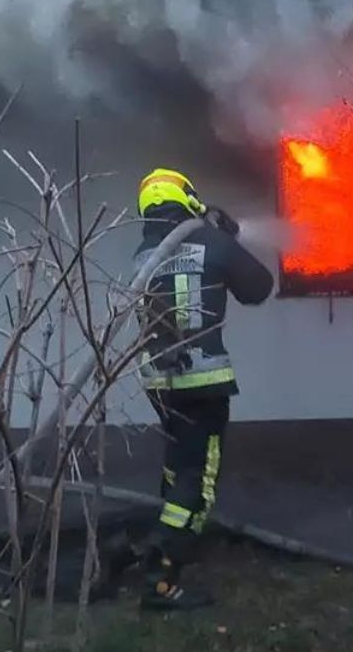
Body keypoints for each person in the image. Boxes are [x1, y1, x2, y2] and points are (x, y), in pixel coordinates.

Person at [131, 167, 274, 611]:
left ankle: (165, 543)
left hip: (159, 385)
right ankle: (161, 576)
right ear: (188, 198)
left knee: (178, 467)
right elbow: (259, 288)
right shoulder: (211, 241)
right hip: (203, 384)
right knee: (198, 479)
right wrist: (229, 241)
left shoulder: (142, 255)